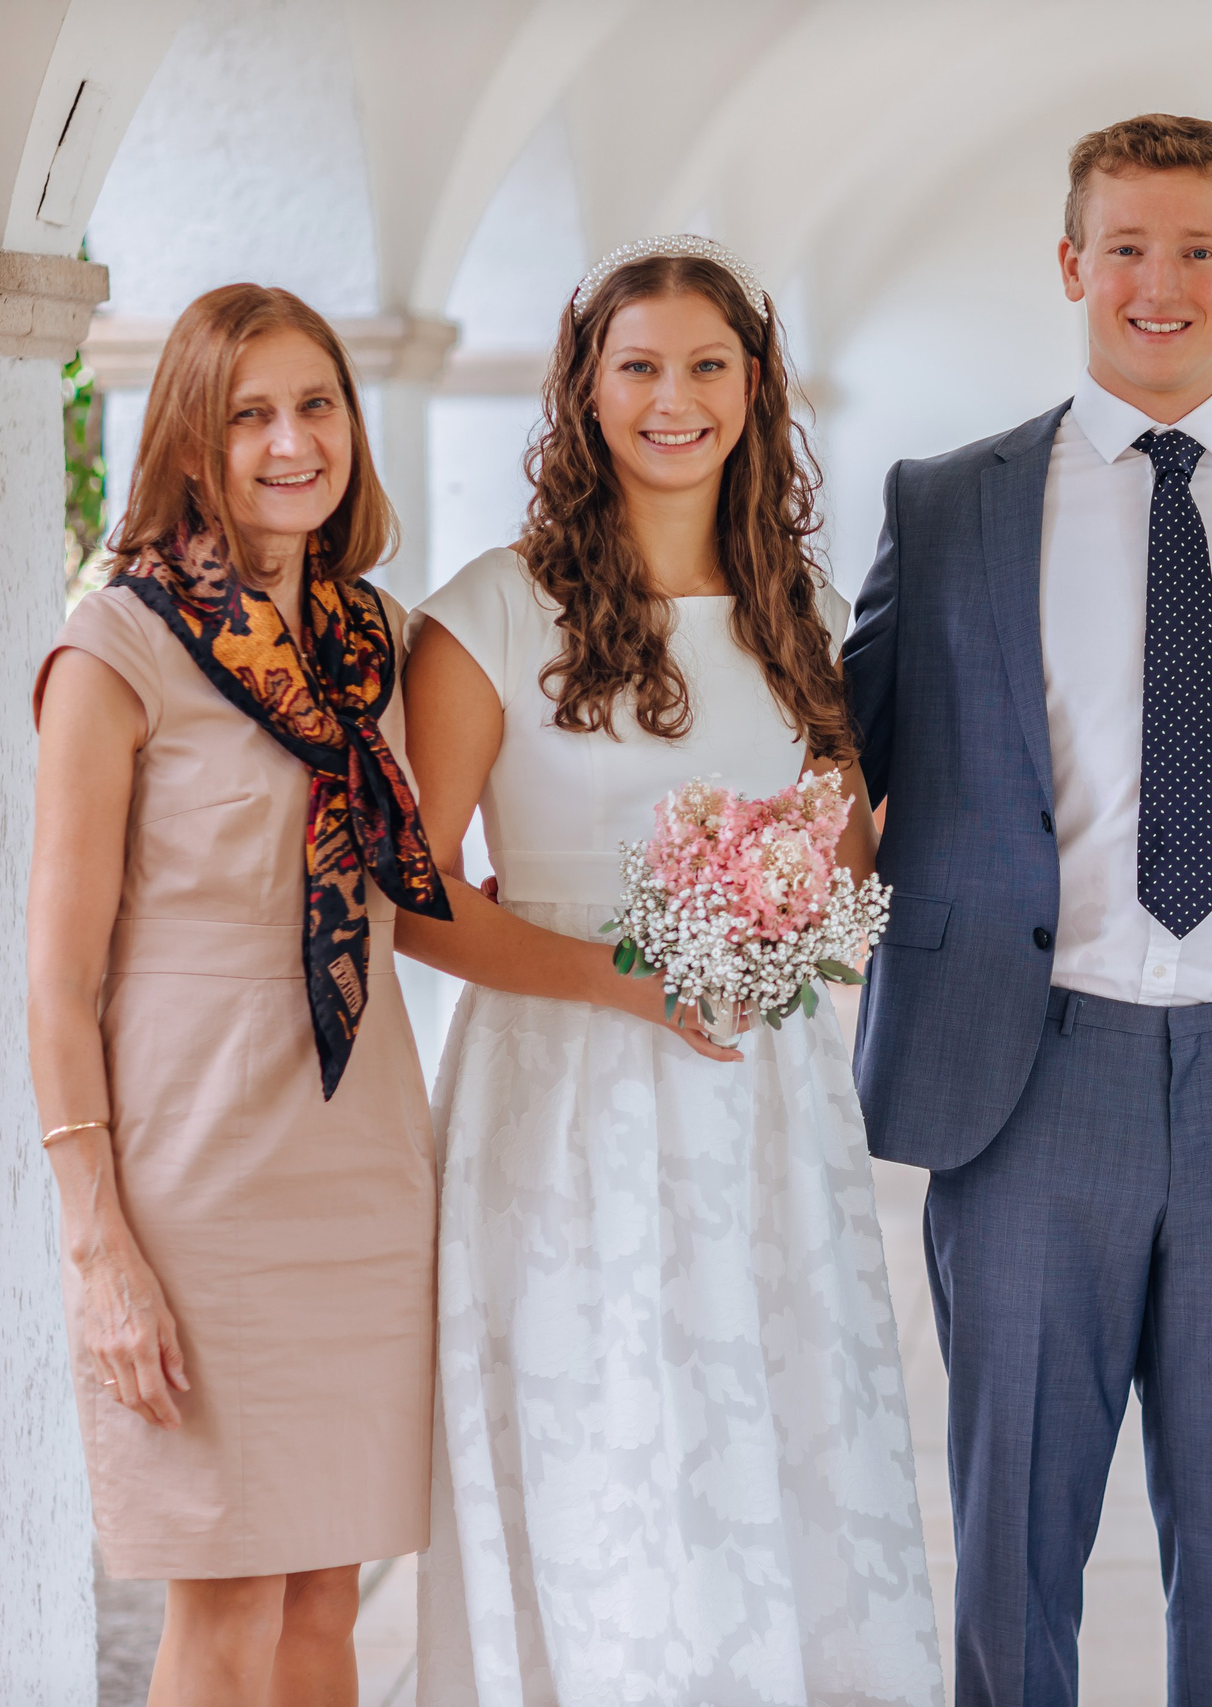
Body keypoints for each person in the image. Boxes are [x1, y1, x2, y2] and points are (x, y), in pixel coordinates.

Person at [841, 113, 1212, 1706]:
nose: (1160, 284)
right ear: (1071, 262)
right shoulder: (949, 504)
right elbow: (844, 752)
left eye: (1197, 249)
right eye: (1127, 248)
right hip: (1029, 1075)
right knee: (1014, 1540)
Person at [398, 236, 941, 1707]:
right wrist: (624, 980)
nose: (672, 399)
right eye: (637, 366)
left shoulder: (796, 612)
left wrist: (796, 900)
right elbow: (411, 899)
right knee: (604, 1442)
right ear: (584, 389)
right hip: (563, 1096)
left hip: (761, 1097)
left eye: (707, 366)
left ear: (754, 387)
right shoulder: (493, 610)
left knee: (768, 1428)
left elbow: (843, 873)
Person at [27, 283, 449, 1704]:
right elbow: (59, 977)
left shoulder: (377, 641)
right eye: (248, 415)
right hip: (197, 1177)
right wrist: (98, 1245)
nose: (290, 442)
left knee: (328, 1596)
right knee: (227, 1600)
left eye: (316, 405)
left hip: (364, 1159)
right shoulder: (116, 647)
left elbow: (430, 894)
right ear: (189, 443)